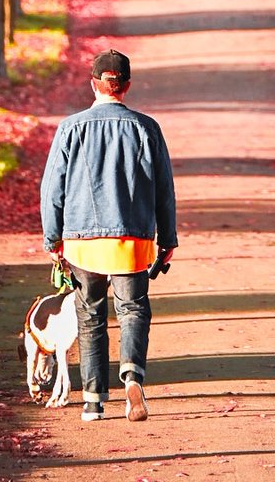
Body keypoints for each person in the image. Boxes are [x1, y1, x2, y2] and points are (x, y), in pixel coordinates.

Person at [40, 48, 178, 423]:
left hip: (81, 239)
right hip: (132, 238)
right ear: (127, 86)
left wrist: (52, 239)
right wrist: (167, 239)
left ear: (93, 84)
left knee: (90, 316)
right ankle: (132, 375)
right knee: (132, 310)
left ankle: (93, 401)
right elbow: (163, 189)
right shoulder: (146, 128)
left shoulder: (71, 128)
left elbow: (52, 190)